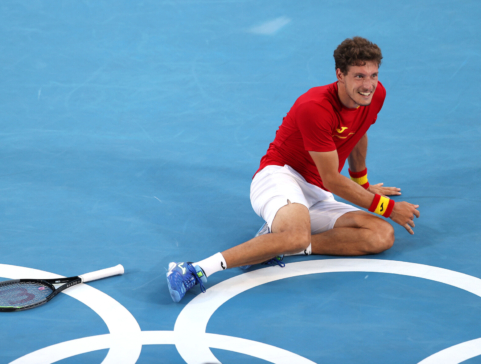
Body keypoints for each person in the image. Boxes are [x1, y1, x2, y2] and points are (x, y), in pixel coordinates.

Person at [166, 36, 420, 303]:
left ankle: (279, 246)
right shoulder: (316, 107)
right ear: (339, 74)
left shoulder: (375, 95)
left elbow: (358, 133)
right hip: (281, 175)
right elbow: (333, 179)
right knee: (296, 234)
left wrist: (364, 184)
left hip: (317, 191)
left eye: (373, 75)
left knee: (381, 235)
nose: (368, 85)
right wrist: (388, 208)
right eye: (359, 76)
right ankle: (193, 270)